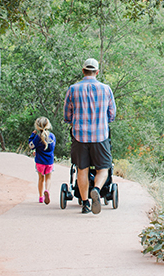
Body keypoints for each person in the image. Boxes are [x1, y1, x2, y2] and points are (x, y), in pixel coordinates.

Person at [64, 57, 116, 214]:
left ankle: (85, 203)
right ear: (97, 72)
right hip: (100, 135)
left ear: (83, 71)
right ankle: (97, 189)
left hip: (80, 136)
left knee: (82, 169)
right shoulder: (106, 89)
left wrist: (72, 120)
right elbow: (112, 114)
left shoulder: (73, 89)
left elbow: (67, 114)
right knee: (104, 168)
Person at [28, 117, 56, 205]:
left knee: (40, 179)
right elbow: (52, 148)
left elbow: (31, 145)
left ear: (37, 126)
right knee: (48, 178)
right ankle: (47, 190)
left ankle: (40, 197)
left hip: (40, 161)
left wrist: (32, 136)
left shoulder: (37, 137)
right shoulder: (52, 136)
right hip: (49, 162)